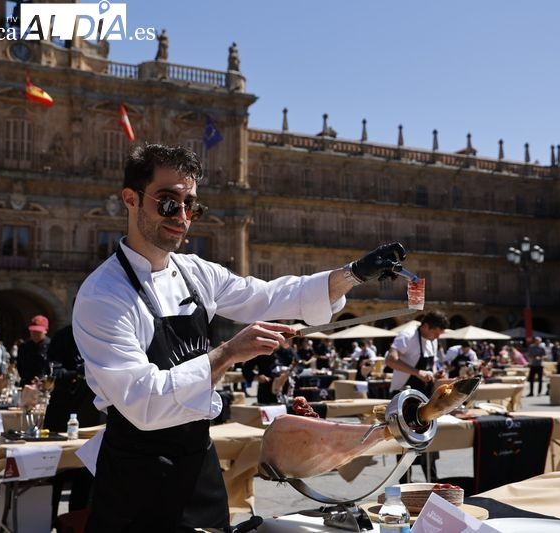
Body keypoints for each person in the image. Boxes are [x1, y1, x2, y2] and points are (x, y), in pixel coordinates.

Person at [72, 143, 409, 531]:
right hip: (136, 479)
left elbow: (269, 296)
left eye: (190, 205)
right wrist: (227, 353)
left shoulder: (196, 273)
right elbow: (143, 402)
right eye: (167, 202)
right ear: (131, 199)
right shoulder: (103, 295)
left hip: (199, 465)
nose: (181, 216)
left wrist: (353, 274)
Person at [43, 323, 105, 529]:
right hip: (62, 414)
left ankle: (76, 524)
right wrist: (76, 373)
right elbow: (52, 371)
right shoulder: (63, 337)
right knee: (55, 474)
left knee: (85, 477)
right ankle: (48, 520)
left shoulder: (104, 332)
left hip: (92, 415)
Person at [384, 310, 449, 483]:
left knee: (428, 442)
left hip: (424, 398)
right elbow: (390, 360)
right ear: (426, 326)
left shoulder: (432, 341)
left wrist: (436, 374)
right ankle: (404, 485)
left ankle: (433, 483)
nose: (436, 337)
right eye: (435, 333)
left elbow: (431, 366)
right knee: (405, 445)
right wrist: (417, 372)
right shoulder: (407, 335)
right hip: (402, 399)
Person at [16, 315, 52, 386]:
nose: (35, 333)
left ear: (46, 331)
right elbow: (20, 367)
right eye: (33, 331)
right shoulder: (24, 347)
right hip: (27, 384)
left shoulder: (52, 346)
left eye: (38, 331)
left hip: (44, 385)